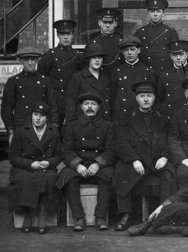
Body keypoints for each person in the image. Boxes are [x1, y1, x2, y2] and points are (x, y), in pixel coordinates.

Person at [113, 81, 175, 231]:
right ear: (137, 98)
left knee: (169, 172)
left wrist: (165, 156)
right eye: (142, 96)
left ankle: (164, 215)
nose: (146, 99)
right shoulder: (126, 118)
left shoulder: (163, 119)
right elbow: (122, 142)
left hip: (156, 160)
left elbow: (171, 139)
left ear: (154, 98)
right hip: (136, 159)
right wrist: (134, 160)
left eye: (149, 96)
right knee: (121, 168)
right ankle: (126, 214)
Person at [55, 92, 116, 231]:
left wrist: (98, 163)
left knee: (108, 175)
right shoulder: (72, 126)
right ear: (81, 107)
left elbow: (111, 150)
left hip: (98, 165)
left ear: (98, 107)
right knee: (67, 176)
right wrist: (77, 164)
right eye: (86, 104)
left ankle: (100, 217)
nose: (90, 107)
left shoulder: (108, 126)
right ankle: (79, 218)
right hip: (79, 165)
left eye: (93, 104)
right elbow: (66, 150)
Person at [7, 103, 61, 234]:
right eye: (35, 115)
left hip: (45, 167)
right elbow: (13, 157)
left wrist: (48, 163)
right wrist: (30, 164)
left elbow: (59, 155)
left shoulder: (53, 132)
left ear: (47, 118)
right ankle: (28, 213)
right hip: (25, 166)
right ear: (31, 115)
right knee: (25, 179)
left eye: (42, 116)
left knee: (49, 179)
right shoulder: (21, 131)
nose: (38, 118)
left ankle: (42, 213)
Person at [2, 47, 58, 143]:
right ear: (20, 61)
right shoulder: (14, 81)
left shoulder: (45, 81)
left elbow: (53, 106)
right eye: (26, 59)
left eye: (33, 59)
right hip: (21, 129)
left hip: (42, 129)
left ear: (37, 60)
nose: (30, 62)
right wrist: (11, 132)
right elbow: (6, 109)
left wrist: (53, 129)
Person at [37, 19, 82, 126]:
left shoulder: (78, 57)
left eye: (69, 34)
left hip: (73, 104)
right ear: (57, 35)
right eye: (63, 34)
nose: (66, 37)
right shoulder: (49, 56)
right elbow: (41, 83)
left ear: (73, 35)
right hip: (55, 105)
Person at [110, 36, 158, 121]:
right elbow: (112, 98)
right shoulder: (116, 72)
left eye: (132, 49)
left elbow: (154, 98)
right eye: (126, 50)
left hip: (141, 118)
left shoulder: (148, 72)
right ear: (122, 52)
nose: (129, 53)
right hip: (121, 117)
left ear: (138, 50)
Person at [65, 44, 111, 121]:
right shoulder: (78, 77)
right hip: (83, 122)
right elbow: (71, 103)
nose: (97, 60)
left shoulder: (106, 78)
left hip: (103, 123)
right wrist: (71, 124)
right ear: (88, 59)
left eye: (99, 57)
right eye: (94, 57)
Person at [134, 0, 179, 73]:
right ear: (148, 13)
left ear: (163, 13)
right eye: (152, 11)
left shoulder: (171, 32)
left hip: (165, 73)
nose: (155, 14)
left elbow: (176, 55)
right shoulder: (140, 32)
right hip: (145, 73)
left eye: (158, 11)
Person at [157, 40, 188, 116]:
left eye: (181, 54)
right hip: (168, 116)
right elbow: (159, 98)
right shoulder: (163, 75)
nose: (178, 58)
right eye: (175, 55)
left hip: (187, 116)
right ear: (171, 56)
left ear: (187, 55)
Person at [86, 8, 123, 73]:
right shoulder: (92, 43)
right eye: (104, 22)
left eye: (111, 22)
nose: (107, 26)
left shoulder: (121, 43)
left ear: (115, 23)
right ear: (99, 23)